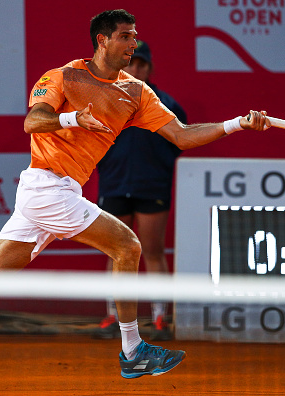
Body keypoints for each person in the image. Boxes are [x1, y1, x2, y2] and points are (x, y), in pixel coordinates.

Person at [0, 9, 270, 379]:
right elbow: (33, 123)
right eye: (126, 36)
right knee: (128, 246)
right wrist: (74, 118)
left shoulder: (137, 93)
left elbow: (180, 135)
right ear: (102, 40)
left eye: (135, 36)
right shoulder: (63, 76)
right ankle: (132, 351)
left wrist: (236, 124)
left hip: (56, 191)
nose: (134, 43)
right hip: (45, 186)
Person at [93, 40, 186, 341]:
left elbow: (181, 140)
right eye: (131, 62)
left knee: (153, 251)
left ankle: (160, 318)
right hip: (115, 184)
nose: (136, 68)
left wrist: (155, 166)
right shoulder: (104, 99)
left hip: (152, 186)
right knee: (116, 252)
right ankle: (113, 316)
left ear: (149, 67)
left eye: (141, 63)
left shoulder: (167, 104)